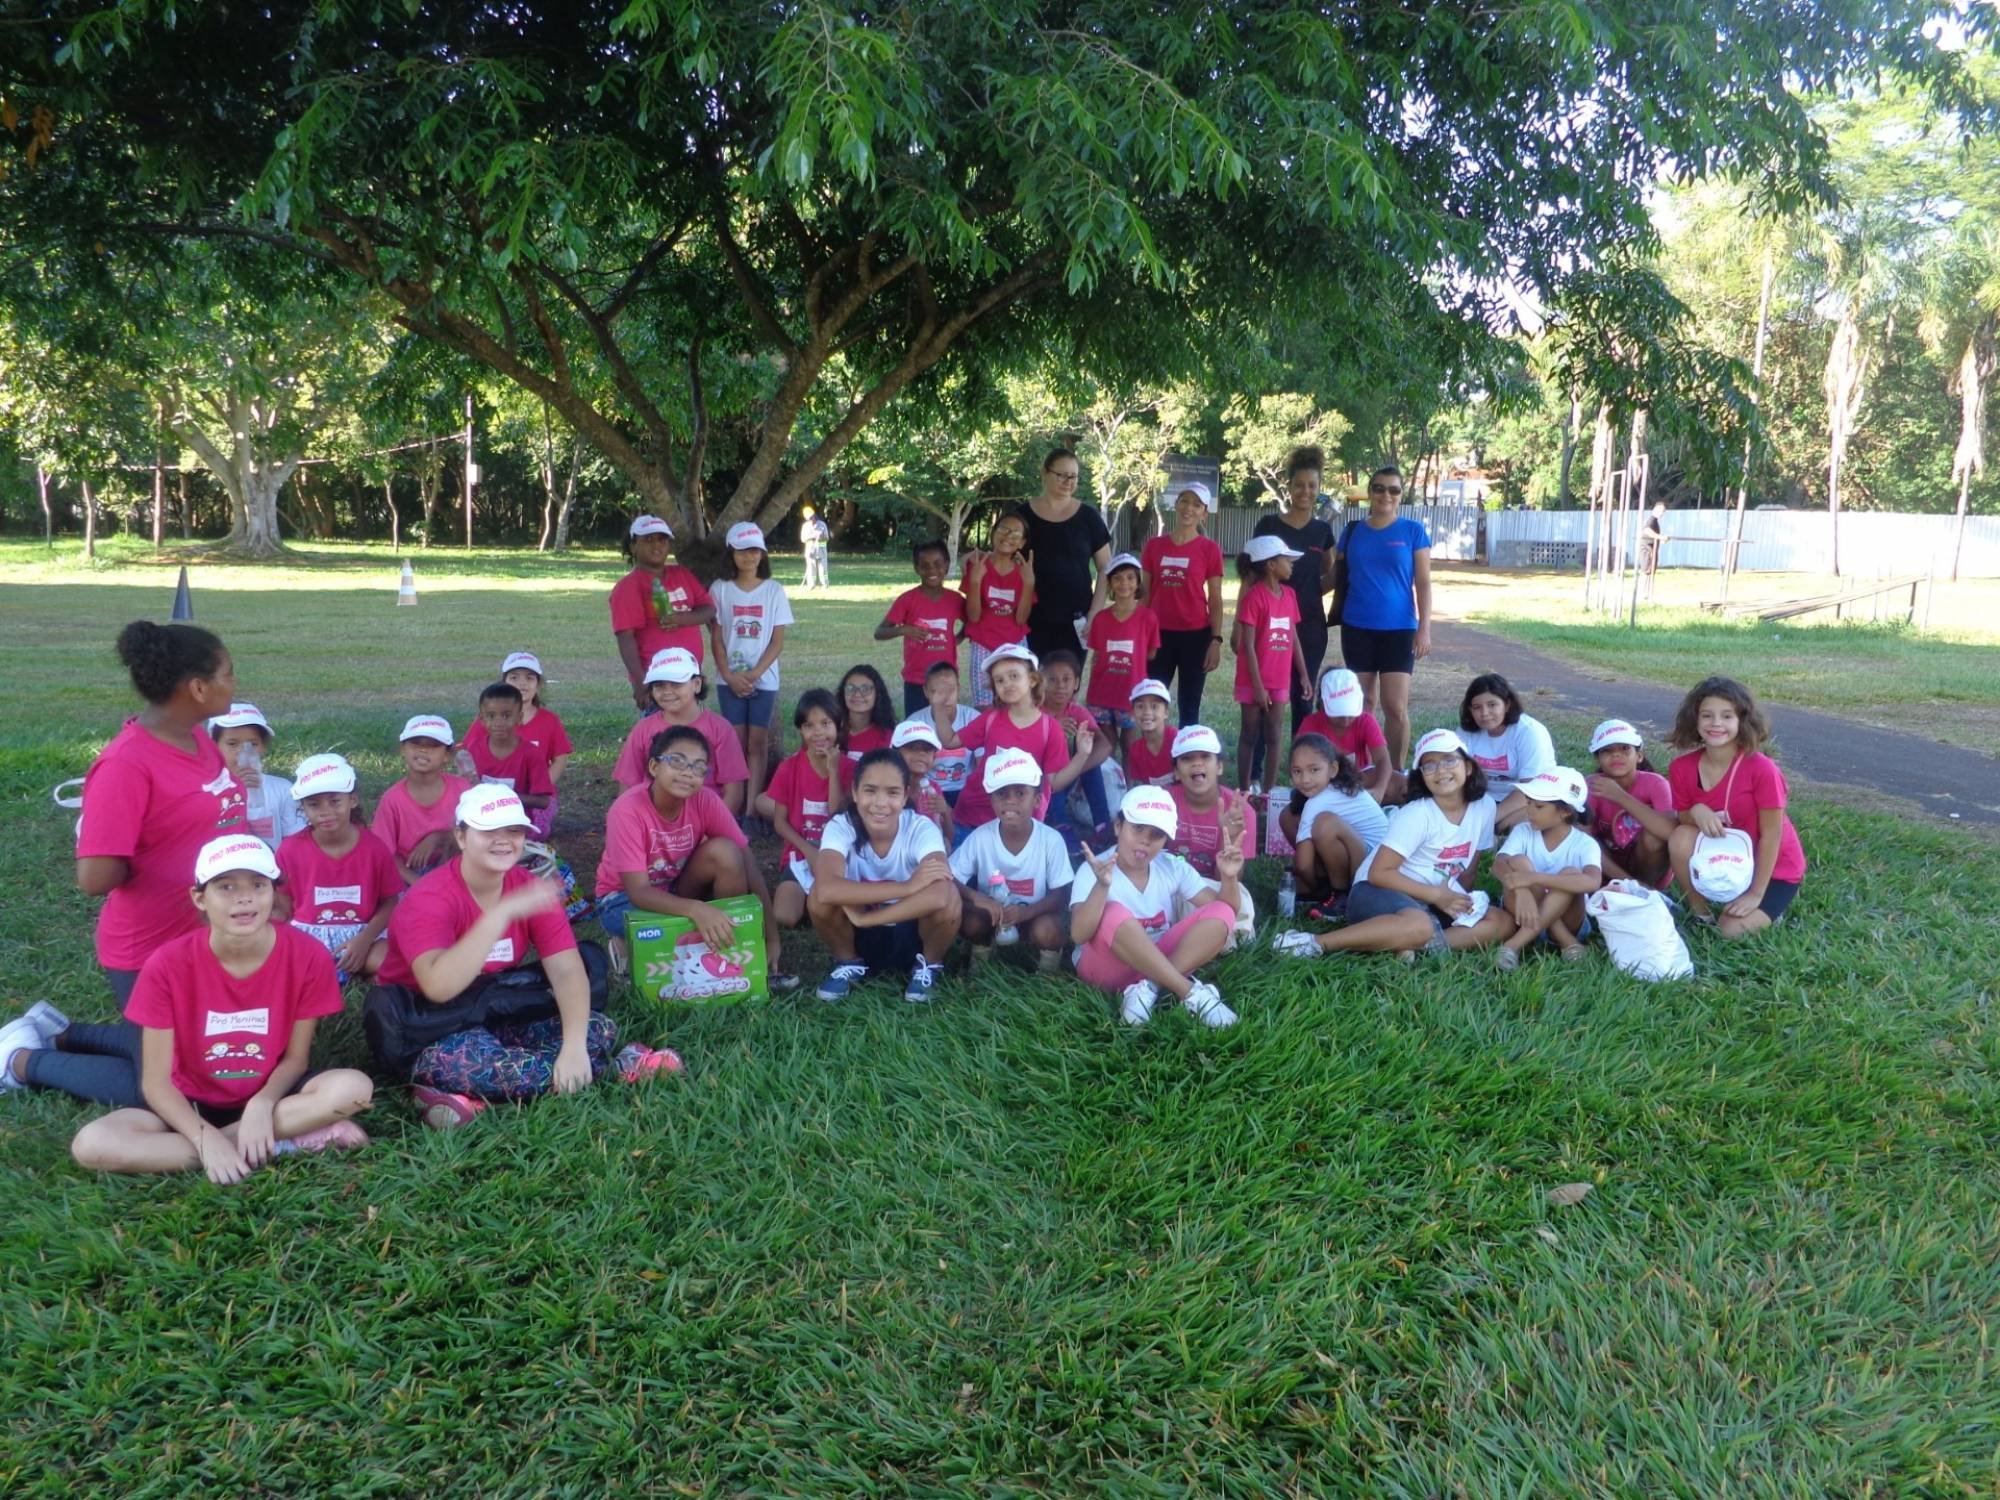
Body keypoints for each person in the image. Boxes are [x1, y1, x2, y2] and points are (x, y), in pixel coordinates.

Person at [3, 834, 372, 1181]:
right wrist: (201, 1136)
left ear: (272, 894)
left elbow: (296, 1058)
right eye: (226, 887)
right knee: (92, 1145)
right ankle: (271, 1143)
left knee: (353, 1088)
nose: (244, 898)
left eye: (257, 885)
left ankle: (241, 1140)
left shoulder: (307, 955)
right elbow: (156, 1080)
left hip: (269, 1093)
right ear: (199, 898)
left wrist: (263, 1103)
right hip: (187, 1097)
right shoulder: (167, 965)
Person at [365, 787, 665, 1130]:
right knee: (480, 1064)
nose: (504, 841)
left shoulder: (527, 887)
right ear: (461, 837)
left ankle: (465, 1098)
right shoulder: (429, 899)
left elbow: (566, 969)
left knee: (596, 1029)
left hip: (494, 1007)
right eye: (489, 831)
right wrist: (500, 915)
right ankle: (613, 1068)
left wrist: (574, 1047)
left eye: (515, 831)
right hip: (426, 1024)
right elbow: (438, 987)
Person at [77, 620, 247, 1004]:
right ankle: (25, 1058)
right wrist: (159, 860)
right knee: (161, 1066)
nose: (235, 682)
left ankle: (63, 1034)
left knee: (212, 1052)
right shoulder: (126, 765)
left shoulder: (197, 737)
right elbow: (94, 878)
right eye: (229, 674)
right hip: (149, 948)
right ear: (199, 688)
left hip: (203, 932)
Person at [1273, 729, 1513, 962]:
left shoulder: (1485, 807)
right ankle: (1314, 943)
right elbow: (1379, 874)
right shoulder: (1417, 814)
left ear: (1468, 766)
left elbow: (1468, 869)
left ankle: (1418, 944)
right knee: (1420, 924)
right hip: (1376, 889)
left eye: (1450, 760)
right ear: (1422, 776)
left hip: (1432, 894)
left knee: (1502, 922)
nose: (1441, 771)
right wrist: (1437, 896)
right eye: (1429, 765)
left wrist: (1455, 902)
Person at [594, 724, 794, 988]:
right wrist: (697, 909)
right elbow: (639, 892)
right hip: (621, 900)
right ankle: (630, 947)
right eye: (677, 762)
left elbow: (748, 862)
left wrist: (770, 939)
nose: (688, 773)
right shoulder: (626, 810)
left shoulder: (705, 800)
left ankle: (722, 945)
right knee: (675, 926)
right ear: (654, 767)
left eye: (698, 767)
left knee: (727, 852)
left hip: (675, 887)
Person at [1068, 786, 1240, 1028]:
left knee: (1221, 911)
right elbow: (1078, 934)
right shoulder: (1095, 869)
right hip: (1106, 967)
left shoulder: (1171, 866)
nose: (1145, 840)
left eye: (1157, 834)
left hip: (1159, 957)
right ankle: (1190, 993)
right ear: (1118, 827)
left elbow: (1227, 912)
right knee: (1113, 912)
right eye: (1137, 828)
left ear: (1165, 840)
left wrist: (1229, 877)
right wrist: (1101, 887)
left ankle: (1149, 987)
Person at [808, 747, 964, 1004]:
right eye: (870, 790)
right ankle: (849, 962)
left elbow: (940, 893)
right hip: (859, 936)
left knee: (949, 895)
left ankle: (929, 965)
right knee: (817, 896)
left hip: (912, 933)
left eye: (892, 792)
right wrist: (908, 887)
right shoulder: (841, 825)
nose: (880, 803)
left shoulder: (920, 827)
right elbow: (826, 888)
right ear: (856, 793)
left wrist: (867, 919)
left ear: (905, 797)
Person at [1665, 676, 1807, 939]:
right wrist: (1697, 810)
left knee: (1730, 931)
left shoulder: (1762, 769)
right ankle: (1700, 913)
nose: (1716, 723)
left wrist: (1756, 893)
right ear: (1694, 720)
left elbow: (1772, 835)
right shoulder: (1681, 768)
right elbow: (1684, 817)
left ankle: (1772, 901)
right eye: (1707, 715)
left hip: (1773, 868)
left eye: (1727, 716)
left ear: (1742, 721)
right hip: (1722, 857)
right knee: (1681, 836)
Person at [1334, 465, 1433, 769]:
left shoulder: (1412, 531)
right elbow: (1334, 576)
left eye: (1394, 489)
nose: (1385, 495)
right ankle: (1362, 768)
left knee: (1395, 707)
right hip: (1357, 627)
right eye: (1379, 488)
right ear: (1369, 492)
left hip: (1399, 629)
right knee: (1362, 705)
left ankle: (1395, 772)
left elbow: (1424, 582)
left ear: (1401, 495)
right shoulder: (1352, 532)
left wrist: (1424, 629)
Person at [277, 753, 402, 981]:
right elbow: (283, 905)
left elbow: (390, 901)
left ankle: (357, 967)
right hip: (308, 934)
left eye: (335, 801)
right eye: (314, 804)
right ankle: (324, 970)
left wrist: (364, 940)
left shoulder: (374, 848)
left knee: (390, 960)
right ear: (302, 807)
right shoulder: (290, 850)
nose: (325, 812)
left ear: (352, 800)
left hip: (363, 931)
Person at [949, 748, 1073, 968]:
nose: (1010, 801)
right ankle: (981, 958)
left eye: (1020, 793)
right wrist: (978, 898)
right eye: (1002, 794)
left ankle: (1048, 975)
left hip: (1033, 916)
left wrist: (1027, 912)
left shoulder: (1050, 840)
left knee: (1049, 930)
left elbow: (1061, 895)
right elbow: (950, 876)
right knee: (971, 920)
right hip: (992, 918)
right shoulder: (981, 837)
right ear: (992, 800)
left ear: (1037, 800)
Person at [708, 521, 793, 821]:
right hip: (728, 680)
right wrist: (730, 676)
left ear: (763, 554)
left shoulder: (773, 590)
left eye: (755, 550)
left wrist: (755, 673)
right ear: (731, 553)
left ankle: (751, 809)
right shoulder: (720, 589)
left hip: (764, 680)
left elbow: (777, 641)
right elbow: (716, 638)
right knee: (734, 742)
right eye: (743, 551)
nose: (749, 557)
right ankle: (734, 801)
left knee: (757, 744)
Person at [951, 645, 1084, 831]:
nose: (1007, 684)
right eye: (999, 680)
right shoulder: (991, 718)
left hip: (1021, 822)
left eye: (1014, 676)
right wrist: (940, 706)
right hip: (974, 816)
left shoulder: (1050, 728)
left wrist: (1082, 754)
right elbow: (950, 742)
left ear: (1032, 679)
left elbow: (1055, 782)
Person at [610, 648, 749, 813]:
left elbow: (733, 792)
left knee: (726, 841)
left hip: (706, 818)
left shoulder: (720, 729)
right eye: (659, 685)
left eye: (676, 683)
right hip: (653, 819)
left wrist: (713, 829)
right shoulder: (643, 730)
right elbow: (627, 784)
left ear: (696, 684)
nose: (667, 692)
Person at [1491, 768, 1604, 970]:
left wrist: (1533, 879)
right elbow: (1498, 864)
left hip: (1569, 917)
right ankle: (1567, 942)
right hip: (1522, 911)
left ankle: (1512, 946)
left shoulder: (1584, 844)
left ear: (1566, 811)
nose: (1529, 811)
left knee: (1571, 874)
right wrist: (1523, 889)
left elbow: (1592, 881)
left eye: (1539, 806)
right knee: (1519, 861)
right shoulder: (1523, 830)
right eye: (1528, 803)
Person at [1012, 447, 1112, 663]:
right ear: (1045, 473)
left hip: (1076, 620)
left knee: (1065, 687)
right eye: (1062, 475)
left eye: (1073, 476)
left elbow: (1106, 568)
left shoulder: (1089, 517)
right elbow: (1002, 555)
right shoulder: (1021, 516)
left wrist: (1094, 614)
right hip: (1029, 619)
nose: (1068, 481)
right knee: (1032, 688)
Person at [1140, 482, 1227, 728]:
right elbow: (1144, 594)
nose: (1189, 508)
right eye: (1184, 501)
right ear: (1176, 505)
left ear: (1204, 513)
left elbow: (1216, 598)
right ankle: (1152, 761)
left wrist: (1215, 640)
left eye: (1197, 504)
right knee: (1152, 702)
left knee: (1189, 707)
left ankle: (1186, 762)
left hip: (1195, 637)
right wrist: (1140, 633)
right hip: (1158, 636)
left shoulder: (1209, 549)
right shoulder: (1154, 546)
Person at [610, 514, 716, 712]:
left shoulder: (681, 574)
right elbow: (626, 638)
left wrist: (681, 619)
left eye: (662, 539)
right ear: (633, 546)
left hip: (688, 676)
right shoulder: (628, 588)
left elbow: (708, 609)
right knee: (661, 738)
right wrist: (641, 682)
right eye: (648, 539)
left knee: (689, 735)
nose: (656, 545)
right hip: (658, 681)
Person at [760, 688, 845, 934]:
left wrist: (834, 772)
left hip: (839, 857)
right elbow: (780, 823)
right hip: (800, 857)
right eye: (809, 726)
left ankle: (818, 899)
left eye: (825, 723)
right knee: (784, 916)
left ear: (838, 726)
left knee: (839, 910)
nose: (818, 732)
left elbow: (837, 816)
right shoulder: (789, 768)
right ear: (800, 730)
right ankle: (811, 898)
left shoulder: (851, 768)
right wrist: (809, 851)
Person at [1280, 732, 1388, 919]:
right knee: (1290, 816)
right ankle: (1327, 887)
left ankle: (1340, 897)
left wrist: (1309, 881)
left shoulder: (1318, 802)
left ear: (1333, 769)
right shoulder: (1339, 785)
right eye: (1297, 771)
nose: (1305, 779)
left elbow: (1304, 866)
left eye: (1314, 770)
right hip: (1373, 859)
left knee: (1325, 824)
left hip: (1376, 869)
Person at [1232, 534, 1308, 795]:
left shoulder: (1289, 595)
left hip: (1279, 680)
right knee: (1249, 734)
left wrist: (1304, 675)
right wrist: (1257, 687)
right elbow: (1248, 647)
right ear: (1271, 565)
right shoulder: (1253, 598)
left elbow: (1294, 637)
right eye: (1287, 560)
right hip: (1253, 681)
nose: (1292, 564)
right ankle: (1244, 791)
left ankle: (1268, 793)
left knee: (1275, 735)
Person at [465, 653, 574, 832]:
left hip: (532, 795)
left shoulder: (549, 721)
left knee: (532, 828)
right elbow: (467, 754)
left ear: (538, 685)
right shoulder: (486, 722)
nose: (522, 683)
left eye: (529, 678)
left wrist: (543, 784)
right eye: (514, 677)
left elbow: (560, 758)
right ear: (503, 681)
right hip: (488, 798)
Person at [371, 714, 475, 886]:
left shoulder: (462, 790)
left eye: (433, 746)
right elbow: (384, 853)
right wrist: (419, 883)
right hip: (409, 875)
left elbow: (478, 834)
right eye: (415, 744)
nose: (423, 750)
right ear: (403, 749)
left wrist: (439, 837)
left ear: (447, 755)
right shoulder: (392, 800)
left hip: (458, 868)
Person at [876, 538, 967, 716]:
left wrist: (958, 638)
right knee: (917, 728)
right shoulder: (907, 600)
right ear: (916, 568)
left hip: (946, 678)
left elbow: (972, 621)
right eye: (924, 565)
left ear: (947, 565)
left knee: (945, 725)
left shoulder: (955, 599)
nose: (932, 570)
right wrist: (903, 629)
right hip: (916, 678)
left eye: (938, 564)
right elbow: (879, 632)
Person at [1583, 719, 1676, 887]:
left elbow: (1670, 832)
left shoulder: (1656, 783)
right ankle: (1627, 887)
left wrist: (1620, 796)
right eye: (1607, 750)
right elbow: (1581, 840)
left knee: (1653, 837)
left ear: (1639, 755)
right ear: (1598, 759)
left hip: (1648, 869)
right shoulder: (1591, 785)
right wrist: (1630, 884)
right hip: (1608, 867)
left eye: (1625, 748)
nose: (1616, 755)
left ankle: (1649, 891)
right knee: (1589, 842)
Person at [1459, 672, 1557, 829]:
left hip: (1528, 799)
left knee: (1511, 824)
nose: (1484, 713)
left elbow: (1531, 789)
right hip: (1483, 798)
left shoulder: (1530, 732)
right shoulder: (1466, 733)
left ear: (1507, 704)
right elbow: (1456, 777)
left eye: (1492, 705)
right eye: (1477, 707)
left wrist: (1489, 819)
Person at [1166, 725, 1262, 879]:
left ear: (1219, 766)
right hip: (1168, 883)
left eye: (1205, 756)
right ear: (1176, 772)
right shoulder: (1163, 802)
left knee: (1240, 902)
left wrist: (1229, 839)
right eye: (1187, 758)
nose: (1197, 763)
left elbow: (1229, 881)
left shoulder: (1241, 813)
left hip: (1215, 888)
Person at [1040, 649, 1114, 844]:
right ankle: (1062, 827)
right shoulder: (1035, 711)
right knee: (1050, 777)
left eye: (1066, 679)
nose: (1060, 686)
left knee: (1093, 763)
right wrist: (1052, 730)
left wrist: (1075, 768)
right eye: (1052, 680)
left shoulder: (1075, 711)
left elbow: (1104, 745)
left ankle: (1103, 825)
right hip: (1042, 780)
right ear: (1041, 682)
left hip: (1068, 776)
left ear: (1076, 683)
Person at [962, 513, 1034, 708]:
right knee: (984, 705)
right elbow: (973, 616)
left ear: (1022, 542)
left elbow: (1020, 619)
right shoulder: (976, 565)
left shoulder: (1024, 572)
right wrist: (975, 581)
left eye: (1015, 533)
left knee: (1016, 702)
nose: (1008, 536)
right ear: (993, 532)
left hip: (1015, 642)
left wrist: (1029, 583)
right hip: (983, 641)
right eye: (1003, 529)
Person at [466, 681, 557, 834]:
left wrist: (503, 799)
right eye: (491, 716)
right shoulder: (474, 749)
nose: (498, 722)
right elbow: (467, 787)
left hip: (518, 821)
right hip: (482, 819)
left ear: (519, 718)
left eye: (506, 715)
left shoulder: (531, 754)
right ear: (481, 719)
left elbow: (543, 801)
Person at [209, 703, 305, 847]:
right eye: (232, 744)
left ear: (264, 747)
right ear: (214, 747)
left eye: (253, 744)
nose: (243, 752)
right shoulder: (208, 792)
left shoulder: (283, 790)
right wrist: (234, 790)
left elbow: (294, 840)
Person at [1085, 553, 1161, 736]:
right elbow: (1097, 655)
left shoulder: (1148, 618)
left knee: (1130, 745)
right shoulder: (1100, 619)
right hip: (1101, 693)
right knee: (1105, 745)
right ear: (1109, 583)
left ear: (1138, 582)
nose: (1124, 583)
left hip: (1132, 694)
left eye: (1130, 577)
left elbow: (1151, 653)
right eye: (1117, 578)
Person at [1298, 667, 1399, 803]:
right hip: (1323, 786)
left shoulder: (1366, 720)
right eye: (1338, 715)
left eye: (1351, 714)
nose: (1345, 720)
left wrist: (1379, 789)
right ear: (1322, 703)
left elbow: (1383, 759)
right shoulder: (1310, 724)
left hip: (1361, 782)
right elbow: (1299, 766)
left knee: (1398, 783)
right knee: (1287, 817)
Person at [899, 662, 979, 804]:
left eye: (950, 691)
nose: (944, 699)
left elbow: (982, 766)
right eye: (937, 692)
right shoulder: (915, 723)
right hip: (927, 790)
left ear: (958, 689)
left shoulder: (973, 719)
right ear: (926, 691)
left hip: (966, 790)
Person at [890, 719, 956, 847]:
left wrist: (945, 812)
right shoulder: (887, 787)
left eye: (927, 750)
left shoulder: (933, 788)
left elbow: (949, 837)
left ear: (934, 757)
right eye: (912, 748)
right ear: (895, 752)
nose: (920, 754)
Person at [836, 663, 897, 767]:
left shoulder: (888, 737)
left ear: (877, 694)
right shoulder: (831, 731)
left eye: (865, 689)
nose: (857, 694)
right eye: (851, 688)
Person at [1123, 677, 1177, 789]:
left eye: (1154, 706)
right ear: (1132, 714)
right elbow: (1144, 787)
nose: (1147, 712)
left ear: (1166, 712)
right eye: (1140, 706)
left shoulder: (1178, 740)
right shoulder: (1136, 751)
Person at [1639, 502, 1667, 600]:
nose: (1662, 513)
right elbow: (1646, 531)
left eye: (1663, 511)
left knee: (1650, 571)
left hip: (1652, 548)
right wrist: (1660, 537)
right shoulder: (1651, 520)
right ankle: (1643, 593)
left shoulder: (1655, 521)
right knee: (1646, 570)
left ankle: (1647, 593)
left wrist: (1660, 539)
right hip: (1647, 549)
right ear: (1655, 509)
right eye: (1661, 511)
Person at [800, 504, 830, 589]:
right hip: (810, 551)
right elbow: (803, 539)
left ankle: (825, 584)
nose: (811, 519)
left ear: (815, 516)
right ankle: (811, 585)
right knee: (811, 569)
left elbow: (827, 537)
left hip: (821, 551)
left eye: (812, 517)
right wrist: (812, 536)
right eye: (809, 518)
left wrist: (821, 537)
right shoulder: (805, 526)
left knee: (823, 569)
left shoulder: (822, 525)